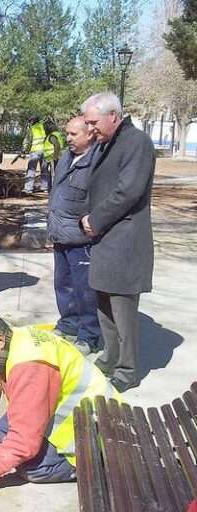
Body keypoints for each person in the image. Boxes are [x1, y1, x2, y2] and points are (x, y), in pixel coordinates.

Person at [0, 311, 119, 500]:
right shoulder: (16, 340)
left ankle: (89, 465)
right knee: (2, 429)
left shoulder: (30, 367)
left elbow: (24, 442)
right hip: (78, 412)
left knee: (33, 468)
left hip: (97, 432)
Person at [80, 92, 155, 392]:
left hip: (124, 239)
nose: (89, 129)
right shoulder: (106, 141)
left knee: (123, 310)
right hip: (105, 239)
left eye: (93, 122)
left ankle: (127, 369)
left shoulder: (136, 142)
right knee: (104, 304)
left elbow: (128, 191)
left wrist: (95, 220)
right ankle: (110, 357)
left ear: (113, 115)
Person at [47, 117, 102, 355]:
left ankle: (89, 335)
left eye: (73, 134)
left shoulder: (97, 162)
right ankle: (69, 324)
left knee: (85, 291)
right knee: (63, 285)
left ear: (89, 134)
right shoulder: (66, 158)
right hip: (60, 235)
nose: (67, 138)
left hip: (81, 241)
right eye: (67, 133)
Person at [22, 116, 48, 193]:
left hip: (35, 151)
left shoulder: (32, 129)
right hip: (45, 151)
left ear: (32, 121)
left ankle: (28, 188)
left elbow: (27, 140)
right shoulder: (44, 127)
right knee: (44, 169)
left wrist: (23, 150)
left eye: (30, 122)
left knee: (31, 169)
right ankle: (45, 187)